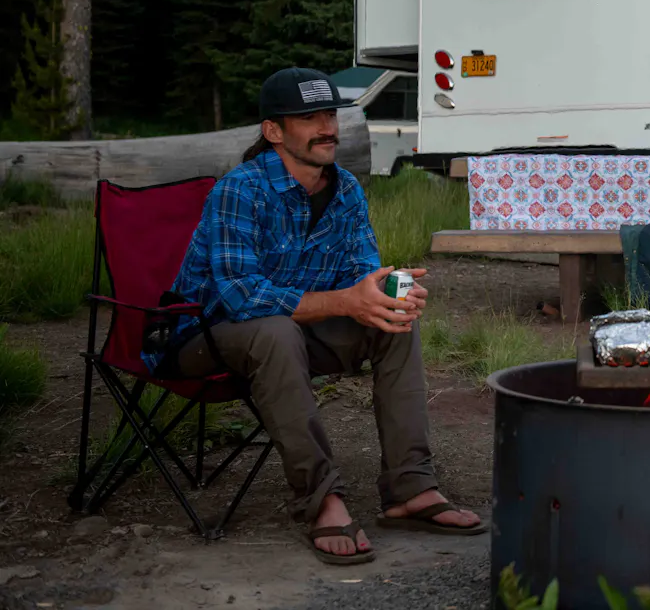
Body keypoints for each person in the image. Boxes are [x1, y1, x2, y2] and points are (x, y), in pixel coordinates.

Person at [155, 67, 483, 565]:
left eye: (329, 113)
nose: (326, 126)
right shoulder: (240, 190)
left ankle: (410, 488)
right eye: (309, 117)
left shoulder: (345, 188)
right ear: (274, 131)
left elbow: (360, 270)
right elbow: (241, 296)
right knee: (274, 330)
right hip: (200, 337)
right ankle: (321, 499)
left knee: (392, 323)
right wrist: (344, 302)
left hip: (290, 331)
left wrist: (387, 294)